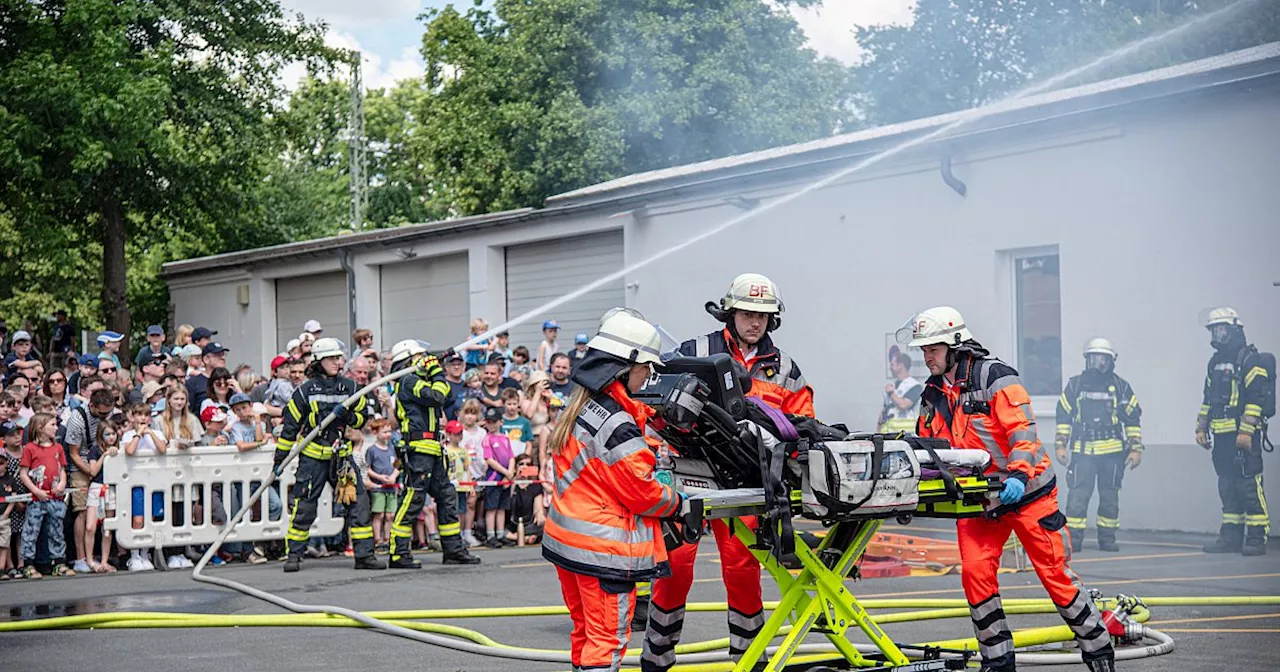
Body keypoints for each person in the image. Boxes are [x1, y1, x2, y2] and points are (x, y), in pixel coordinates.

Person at [909, 306, 1114, 672]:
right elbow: (931, 445)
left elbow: (1023, 431)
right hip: (981, 502)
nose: (927, 357)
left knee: (1056, 577)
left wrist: (1018, 475)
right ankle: (997, 662)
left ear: (955, 346)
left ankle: (1100, 654)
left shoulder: (995, 377)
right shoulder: (933, 392)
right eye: (924, 350)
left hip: (1028, 493)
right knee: (975, 574)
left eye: (933, 349)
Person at [644, 274, 814, 672]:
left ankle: (747, 659)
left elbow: (803, 422)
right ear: (730, 312)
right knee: (675, 566)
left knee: (742, 568)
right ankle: (656, 659)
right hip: (687, 475)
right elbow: (653, 403)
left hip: (746, 482)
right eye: (747, 313)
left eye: (763, 315)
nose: (755, 322)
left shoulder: (785, 368)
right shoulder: (695, 351)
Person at [545, 311, 684, 672]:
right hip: (603, 553)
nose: (649, 377)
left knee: (585, 634)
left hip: (569, 543)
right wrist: (679, 501)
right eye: (646, 369)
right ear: (627, 367)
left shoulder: (581, 408)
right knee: (606, 643)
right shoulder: (616, 423)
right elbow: (644, 493)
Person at [274, 337, 384, 572]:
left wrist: (347, 417)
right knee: (304, 506)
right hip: (313, 457)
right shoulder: (304, 392)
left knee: (358, 504)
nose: (338, 362)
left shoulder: (351, 387)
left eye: (339, 358)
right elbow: (290, 429)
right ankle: (294, 554)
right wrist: (279, 460)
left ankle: (364, 556)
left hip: (341, 457)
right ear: (318, 361)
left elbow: (363, 417)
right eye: (332, 358)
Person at [387, 339, 480, 567]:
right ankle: (398, 553)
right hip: (418, 450)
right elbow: (438, 396)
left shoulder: (423, 382)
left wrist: (435, 373)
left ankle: (453, 549)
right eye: (421, 356)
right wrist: (437, 371)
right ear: (409, 360)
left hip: (434, 449)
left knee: (447, 498)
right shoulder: (408, 381)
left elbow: (446, 396)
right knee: (413, 499)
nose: (426, 359)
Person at [1055, 338, 1143, 553]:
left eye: (1103, 360)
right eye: (1094, 359)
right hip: (1083, 453)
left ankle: (1107, 539)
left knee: (1110, 498)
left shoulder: (1121, 387)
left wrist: (1135, 449)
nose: (1098, 364)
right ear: (1087, 360)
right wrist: (1060, 445)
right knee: (1077, 497)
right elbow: (1064, 417)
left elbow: (1132, 420)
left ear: (1111, 361)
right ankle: (1074, 539)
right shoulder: (1075, 386)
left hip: (1112, 455)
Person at [1197, 308, 1272, 556]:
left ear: (1233, 330)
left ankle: (1256, 537)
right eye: (1213, 330)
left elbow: (1256, 398)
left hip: (1243, 437)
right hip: (1221, 436)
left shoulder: (1250, 360)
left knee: (1248, 485)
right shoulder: (1214, 363)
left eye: (1220, 330)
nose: (1216, 335)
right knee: (1227, 486)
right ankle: (1230, 536)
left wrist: (1246, 431)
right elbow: (1208, 398)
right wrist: (1201, 427)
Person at [20, 412, 75, 577]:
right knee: (31, 531)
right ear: (40, 428)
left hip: (55, 497)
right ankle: (28, 564)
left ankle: (59, 562)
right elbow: (24, 473)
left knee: (57, 530)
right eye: (52, 425)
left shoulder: (57, 448)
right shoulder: (30, 449)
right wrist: (35, 490)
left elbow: (62, 469)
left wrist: (62, 483)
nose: (56, 428)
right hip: (37, 498)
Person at [84, 419, 121, 573]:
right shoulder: (94, 449)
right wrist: (105, 455)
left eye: (113, 434)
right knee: (90, 526)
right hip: (97, 488)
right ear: (101, 435)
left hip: (112, 489)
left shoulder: (120, 449)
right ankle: (90, 560)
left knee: (108, 528)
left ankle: (105, 561)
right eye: (107, 434)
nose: (111, 437)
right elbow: (93, 471)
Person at [481, 407, 514, 548]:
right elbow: (489, 459)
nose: (491, 425)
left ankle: (500, 534)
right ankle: (490, 535)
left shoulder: (505, 438)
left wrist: (510, 472)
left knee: (502, 508)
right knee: (492, 508)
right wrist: (506, 472)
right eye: (489, 422)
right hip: (493, 477)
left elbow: (511, 456)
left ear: (500, 422)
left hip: (506, 477)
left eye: (494, 422)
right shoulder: (487, 439)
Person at [365, 418, 400, 552]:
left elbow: (398, 465)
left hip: (391, 487)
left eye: (389, 432)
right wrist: (380, 478)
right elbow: (367, 469)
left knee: (390, 514)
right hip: (378, 487)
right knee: (378, 514)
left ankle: (388, 538)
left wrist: (393, 477)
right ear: (375, 433)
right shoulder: (372, 450)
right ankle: (377, 540)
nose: (388, 434)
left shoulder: (392, 449)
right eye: (384, 432)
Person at [878, 347, 923, 434]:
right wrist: (878, 432)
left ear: (901, 365)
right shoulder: (893, 386)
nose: (890, 368)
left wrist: (891, 393)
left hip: (907, 436)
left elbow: (903, 405)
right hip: (889, 435)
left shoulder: (915, 386)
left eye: (892, 364)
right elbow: (884, 412)